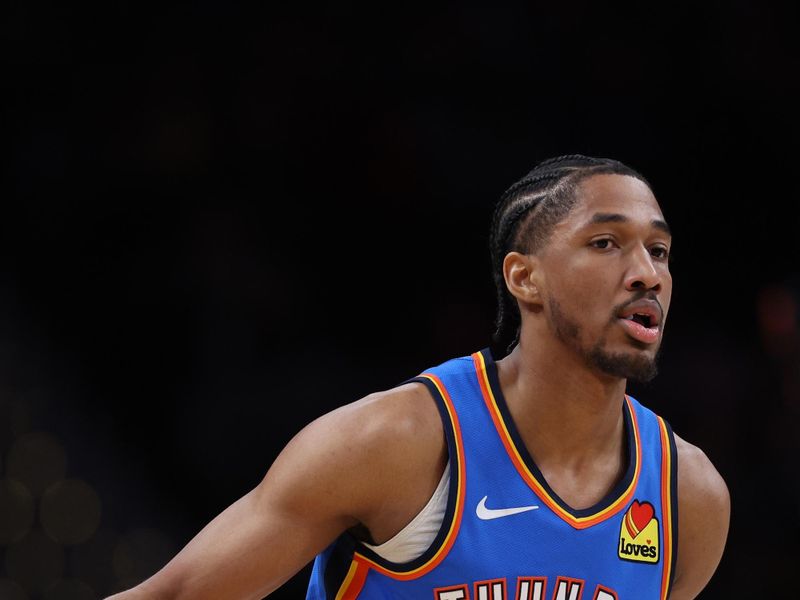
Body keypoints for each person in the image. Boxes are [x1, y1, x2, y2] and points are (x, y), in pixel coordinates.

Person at [107, 154, 730, 600]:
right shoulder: (395, 444)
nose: (647, 272)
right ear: (524, 278)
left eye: (660, 251)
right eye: (605, 242)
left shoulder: (689, 499)